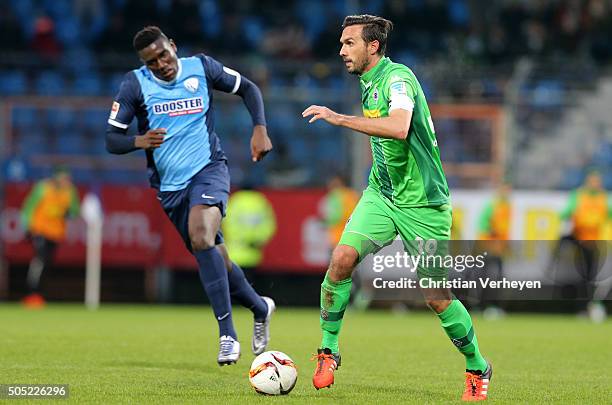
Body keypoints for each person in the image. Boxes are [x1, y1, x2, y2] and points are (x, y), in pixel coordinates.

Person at [302, 15, 492, 401]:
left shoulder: (398, 79)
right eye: (341, 43)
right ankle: (328, 350)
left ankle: (477, 366)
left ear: (373, 47)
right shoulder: (369, 81)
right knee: (341, 259)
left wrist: (338, 118)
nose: (341, 51)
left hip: (424, 204)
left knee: (436, 297)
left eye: (349, 43)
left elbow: (400, 126)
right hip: (381, 195)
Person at [105, 26, 275, 365]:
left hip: (209, 169)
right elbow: (112, 138)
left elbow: (249, 88)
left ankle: (227, 335)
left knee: (201, 236)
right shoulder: (134, 85)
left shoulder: (202, 67)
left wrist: (259, 129)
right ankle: (260, 307)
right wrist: (138, 141)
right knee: (217, 256)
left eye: (163, 55)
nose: (161, 64)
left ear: (173, 46)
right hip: (170, 189)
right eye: (152, 62)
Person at [20, 166, 80, 307]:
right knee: (39, 260)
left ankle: (38, 294)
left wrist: (69, 213)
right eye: (64, 178)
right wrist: (27, 227)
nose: (67, 181)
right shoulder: (42, 188)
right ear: (56, 177)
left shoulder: (70, 191)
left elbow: (75, 211)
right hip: (40, 230)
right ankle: (32, 293)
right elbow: (28, 207)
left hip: (56, 233)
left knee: (46, 263)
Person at [559, 170, 611, 322]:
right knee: (583, 276)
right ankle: (583, 308)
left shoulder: (603, 198)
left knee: (592, 276)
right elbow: (566, 213)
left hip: (596, 243)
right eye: (593, 181)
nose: (595, 184)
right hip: (580, 241)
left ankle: (590, 306)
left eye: (597, 181)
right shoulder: (578, 196)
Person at [476, 182, 512, 318]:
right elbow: (483, 225)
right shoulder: (493, 206)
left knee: (497, 277)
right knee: (487, 276)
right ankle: (484, 306)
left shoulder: (507, 207)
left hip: (499, 248)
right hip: (490, 246)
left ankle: (493, 306)